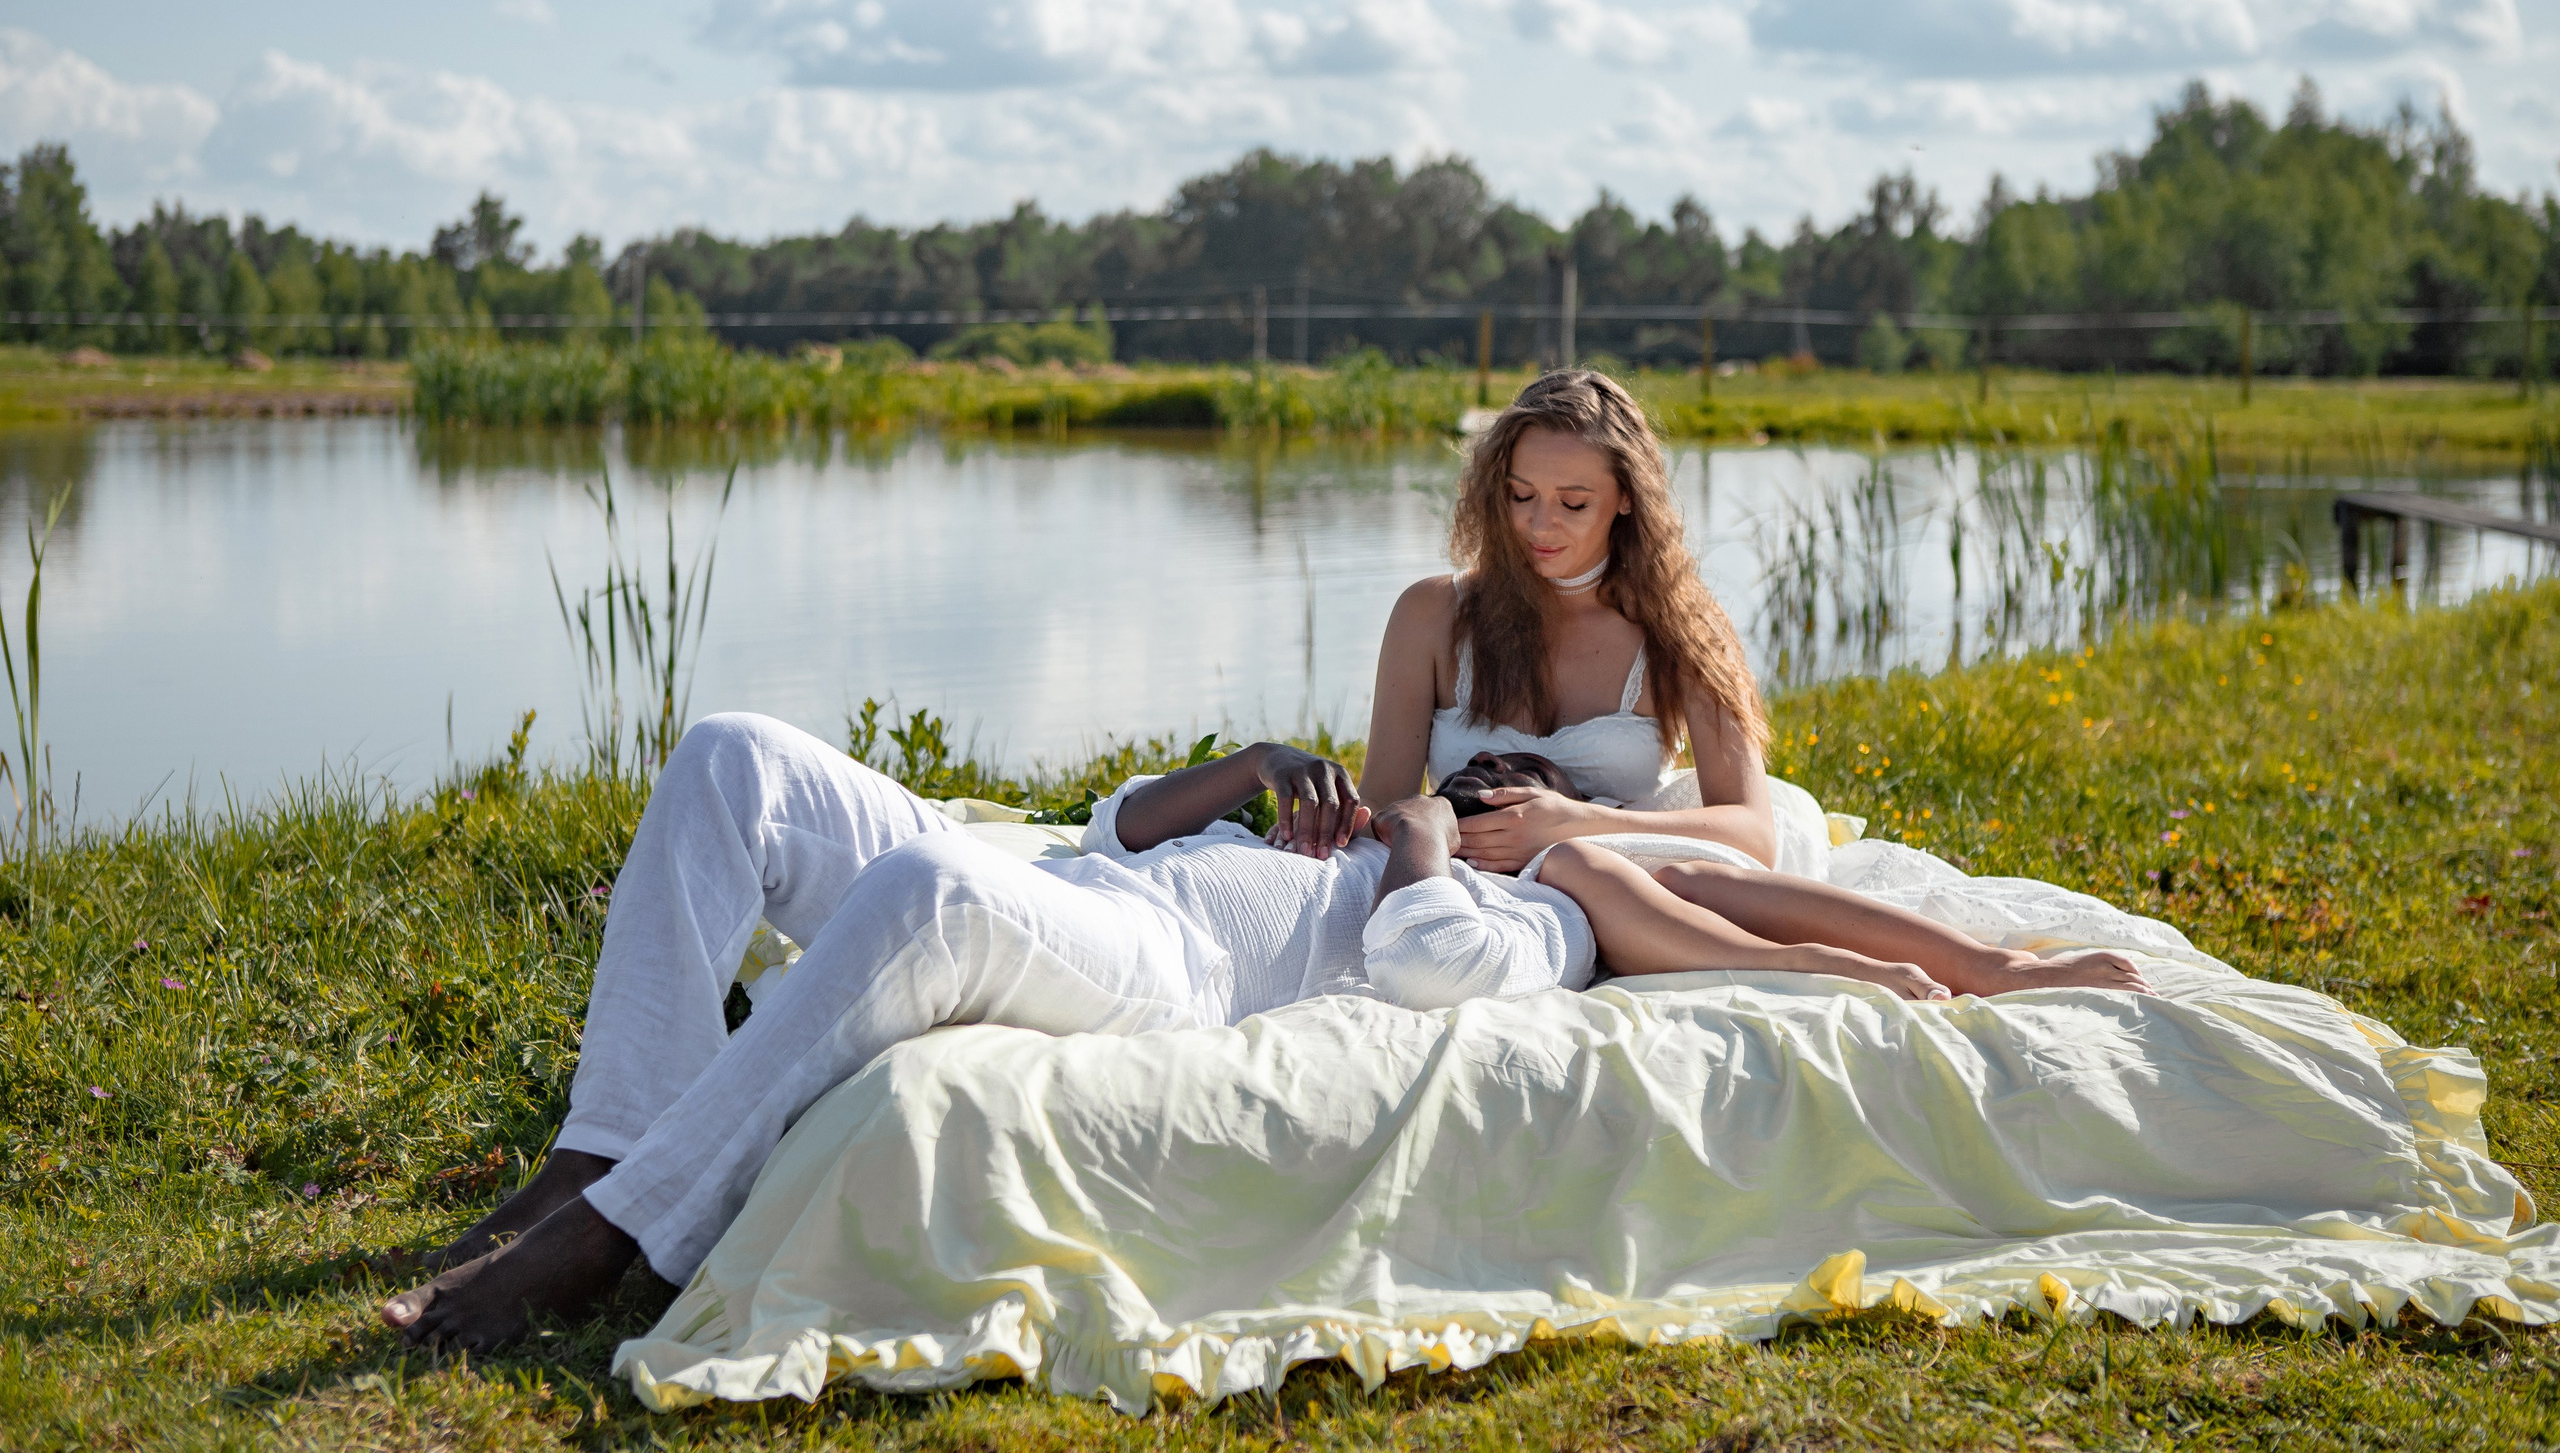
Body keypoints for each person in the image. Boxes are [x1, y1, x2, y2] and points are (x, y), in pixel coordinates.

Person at [378, 712, 1648, 1354]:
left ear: (1563, 819)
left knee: (936, 897)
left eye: (1512, 782)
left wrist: (1427, 850)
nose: (1478, 786)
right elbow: (1116, 828)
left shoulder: (1537, 908)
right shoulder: (1333, 827)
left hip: (1166, 971)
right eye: (1469, 775)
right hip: (1081, 880)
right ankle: (596, 1146)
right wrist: (1253, 769)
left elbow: (1434, 976)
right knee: (731, 757)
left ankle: (613, 1239)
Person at [1361, 369, 2149, 999]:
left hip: (1641, 869)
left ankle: (1988, 967)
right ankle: (1815, 967)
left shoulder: (1680, 625)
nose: (1540, 526)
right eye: (1521, 496)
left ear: (1627, 501)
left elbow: (1751, 830)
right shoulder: (1434, 614)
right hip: (1485, 875)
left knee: (1680, 874)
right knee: (1589, 875)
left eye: (1573, 503)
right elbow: (1386, 805)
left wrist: (1568, 821)